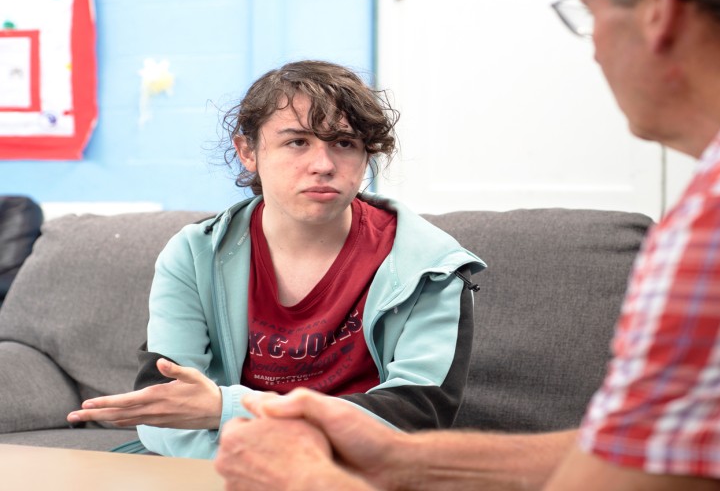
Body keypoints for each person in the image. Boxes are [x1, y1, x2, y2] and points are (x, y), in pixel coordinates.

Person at [213, 0, 720, 489]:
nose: (590, 50)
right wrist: (404, 458)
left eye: (584, 12)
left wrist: (308, 479)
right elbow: (649, 454)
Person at [65, 60, 486, 459]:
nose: (322, 165)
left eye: (344, 143)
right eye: (297, 141)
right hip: (221, 464)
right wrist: (253, 466)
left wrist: (226, 408)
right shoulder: (194, 254)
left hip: (356, 470)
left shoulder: (430, 265)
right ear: (248, 151)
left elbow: (417, 418)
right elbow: (162, 409)